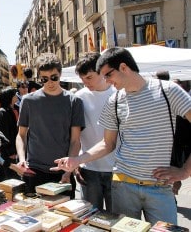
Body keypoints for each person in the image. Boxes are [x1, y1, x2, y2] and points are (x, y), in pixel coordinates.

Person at [52, 47, 191, 225]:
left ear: (124, 67)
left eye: (108, 75)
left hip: (160, 187)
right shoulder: (115, 100)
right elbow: (107, 143)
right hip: (123, 187)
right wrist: (77, 160)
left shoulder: (168, 91)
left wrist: (185, 171)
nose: (107, 81)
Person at [15, 53, 84, 198]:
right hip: (34, 170)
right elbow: (21, 135)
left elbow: (75, 141)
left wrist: (68, 171)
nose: (50, 82)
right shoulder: (28, 101)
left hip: (63, 171)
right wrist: (22, 159)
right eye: (44, 79)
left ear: (60, 74)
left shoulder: (74, 101)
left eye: (54, 77)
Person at [74, 52, 115, 211]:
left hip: (117, 170)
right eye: (82, 78)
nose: (85, 82)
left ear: (101, 71)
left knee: (117, 220)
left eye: (89, 77)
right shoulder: (78, 97)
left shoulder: (118, 93)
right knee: (90, 219)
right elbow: (75, 135)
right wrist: (77, 162)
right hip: (89, 169)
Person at [0, 87, 20, 182]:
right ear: (9, 97)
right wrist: (11, 151)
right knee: (12, 177)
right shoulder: (2, 113)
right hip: (8, 151)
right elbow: (4, 134)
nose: (16, 96)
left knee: (4, 174)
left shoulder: (15, 109)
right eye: (14, 95)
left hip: (14, 149)